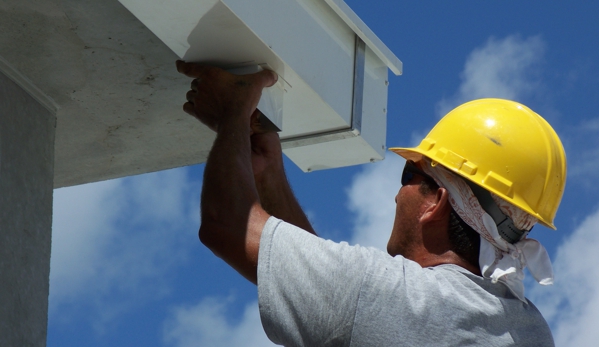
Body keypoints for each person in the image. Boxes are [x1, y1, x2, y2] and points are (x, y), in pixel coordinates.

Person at [176, 60, 566, 346]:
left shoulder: (403, 300)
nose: (399, 194)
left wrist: (233, 112)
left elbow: (227, 225)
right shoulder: (530, 331)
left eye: (410, 176)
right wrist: (267, 175)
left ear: (436, 202)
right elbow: (340, 306)